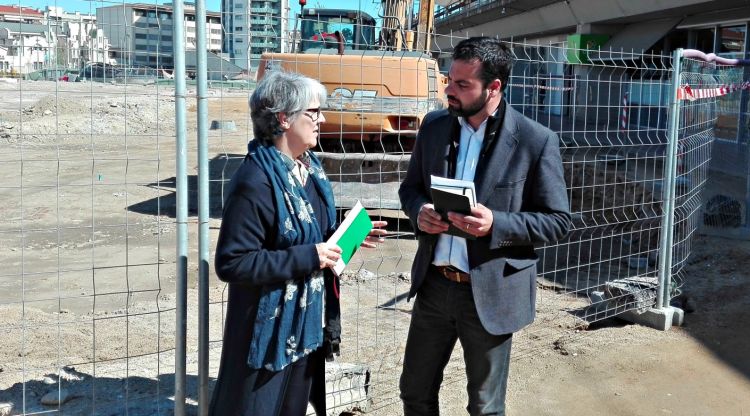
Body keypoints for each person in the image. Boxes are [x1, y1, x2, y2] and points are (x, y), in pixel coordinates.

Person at [398, 37, 571, 415]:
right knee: (414, 392)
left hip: (490, 292)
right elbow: (409, 188)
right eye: (449, 81)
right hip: (434, 285)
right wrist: (420, 211)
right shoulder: (435, 126)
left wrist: (497, 223)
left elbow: (558, 221)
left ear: (494, 87)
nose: (450, 91)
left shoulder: (534, 141)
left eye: (462, 85)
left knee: (485, 406)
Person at [210, 70, 387, 416]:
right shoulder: (255, 181)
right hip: (267, 330)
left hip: (304, 324)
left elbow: (311, 234)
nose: (322, 119)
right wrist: (311, 256)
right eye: (313, 112)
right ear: (283, 118)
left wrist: (346, 236)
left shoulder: (310, 170)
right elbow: (232, 262)